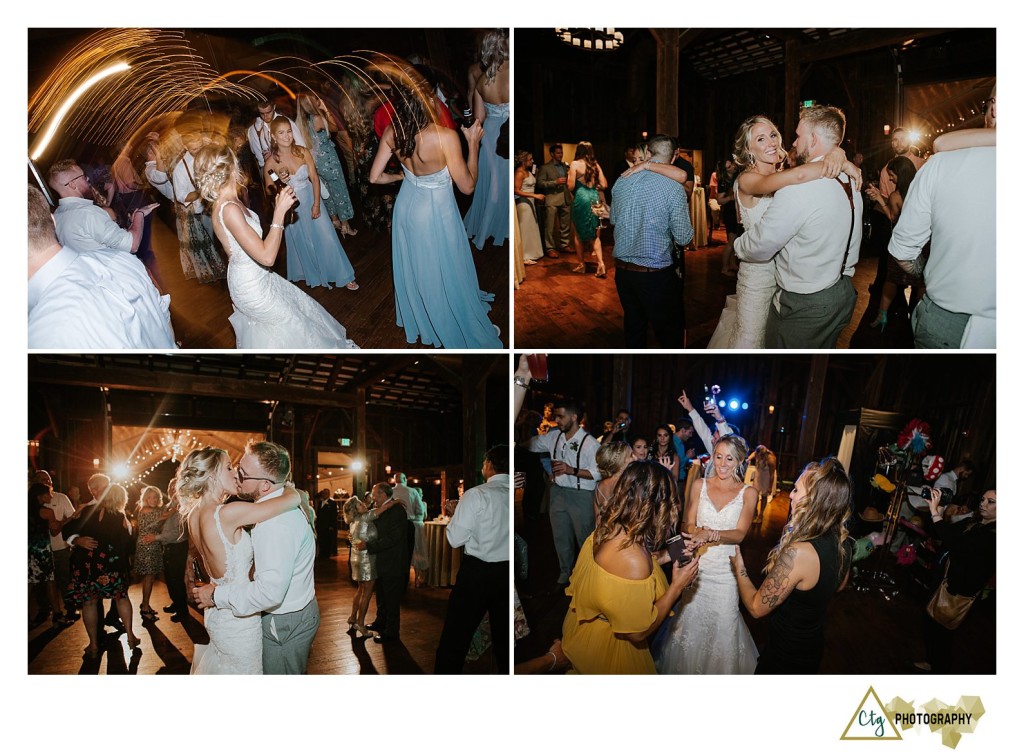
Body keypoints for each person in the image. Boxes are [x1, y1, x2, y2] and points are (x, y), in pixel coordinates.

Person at [370, 79, 502, 348]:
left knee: (420, 267)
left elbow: (374, 177)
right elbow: (467, 186)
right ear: (429, 102)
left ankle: (423, 318)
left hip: (406, 207)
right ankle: (448, 321)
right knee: (444, 266)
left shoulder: (392, 132)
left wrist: (401, 176)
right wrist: (473, 144)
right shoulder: (445, 136)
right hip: (436, 212)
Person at [708, 116, 858, 348]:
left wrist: (838, 154)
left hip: (784, 279)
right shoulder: (747, 179)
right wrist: (839, 160)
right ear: (749, 149)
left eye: (773, 135)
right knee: (751, 340)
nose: (770, 142)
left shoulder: (783, 171)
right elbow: (799, 176)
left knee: (773, 339)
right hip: (758, 275)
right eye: (760, 138)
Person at [194, 143, 359, 349]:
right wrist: (279, 212)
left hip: (260, 276)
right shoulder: (228, 209)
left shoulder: (229, 200)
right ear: (231, 168)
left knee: (299, 316)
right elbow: (267, 257)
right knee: (295, 325)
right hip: (252, 284)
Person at [561, 462, 702, 674]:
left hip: (585, 630)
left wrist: (673, 552)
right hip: (608, 651)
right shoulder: (633, 560)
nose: (676, 508)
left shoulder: (610, 528)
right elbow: (638, 632)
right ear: (656, 506)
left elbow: (628, 570)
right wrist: (677, 586)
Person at [192, 442, 319, 674]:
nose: (237, 476)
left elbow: (269, 593)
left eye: (242, 472)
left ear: (264, 485)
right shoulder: (245, 511)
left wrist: (217, 593)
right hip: (240, 616)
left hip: (278, 621)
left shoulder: (274, 524)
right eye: (234, 468)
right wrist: (293, 492)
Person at [888, 84, 996, 348]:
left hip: (950, 325)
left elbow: (903, 249)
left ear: (994, 107)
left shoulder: (940, 163)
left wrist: (929, 274)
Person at [732, 457, 854, 674]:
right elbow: (840, 585)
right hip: (811, 649)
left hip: (784, 656)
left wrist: (739, 568)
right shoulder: (843, 543)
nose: (790, 495)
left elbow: (756, 607)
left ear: (814, 500)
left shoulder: (800, 552)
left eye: (796, 490)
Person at [656, 435, 758, 674]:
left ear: (740, 461)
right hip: (697, 567)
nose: (722, 464)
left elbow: (740, 533)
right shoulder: (699, 485)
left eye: (729, 458)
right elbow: (687, 524)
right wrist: (697, 532)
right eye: (718, 456)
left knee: (723, 625)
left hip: (725, 573)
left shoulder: (748, 493)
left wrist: (710, 534)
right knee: (689, 625)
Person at [28, 185, 175, 349]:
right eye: (83, 176)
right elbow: (163, 316)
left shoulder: (42, 335)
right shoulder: (122, 260)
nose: (88, 179)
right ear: (53, 221)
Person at [607, 134, 693, 348]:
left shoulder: (622, 180)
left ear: (649, 154)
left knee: (634, 330)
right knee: (669, 335)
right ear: (673, 157)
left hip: (623, 274)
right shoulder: (673, 188)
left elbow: (614, 220)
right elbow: (684, 237)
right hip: (655, 274)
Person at [435, 445, 510, 673]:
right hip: (507, 572)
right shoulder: (513, 493)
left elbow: (455, 539)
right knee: (504, 635)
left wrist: (456, 515)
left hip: (478, 573)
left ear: (488, 465)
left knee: (456, 636)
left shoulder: (476, 494)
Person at [264, 116, 358, 290]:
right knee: (304, 241)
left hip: (311, 198)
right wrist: (281, 184)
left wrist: (316, 204)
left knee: (327, 237)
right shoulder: (271, 163)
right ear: (273, 137)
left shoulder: (302, 151)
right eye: (281, 133)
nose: (287, 136)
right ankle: (314, 272)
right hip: (291, 208)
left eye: (289, 131)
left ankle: (344, 276)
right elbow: (269, 191)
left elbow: (314, 178)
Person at [915, 488, 996, 673]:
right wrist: (939, 511)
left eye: (990, 502)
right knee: (930, 622)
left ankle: (940, 670)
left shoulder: (993, 536)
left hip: (960, 591)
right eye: (983, 499)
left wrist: (936, 513)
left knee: (943, 633)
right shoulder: (974, 522)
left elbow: (956, 544)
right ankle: (931, 661)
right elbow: (940, 534)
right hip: (945, 581)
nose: (983, 504)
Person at [526, 399, 601, 586]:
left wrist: (571, 470)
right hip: (558, 493)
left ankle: (589, 575)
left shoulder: (590, 444)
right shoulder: (554, 437)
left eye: (560, 416)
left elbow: (598, 473)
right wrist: (519, 428)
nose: (556, 420)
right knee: (560, 536)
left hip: (581, 495)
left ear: (574, 417)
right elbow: (530, 445)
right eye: (556, 416)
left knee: (584, 539)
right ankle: (565, 572)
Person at [61, 483, 141, 659]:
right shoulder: (119, 516)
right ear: (122, 499)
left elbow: (67, 530)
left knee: (88, 602)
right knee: (121, 598)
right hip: (110, 565)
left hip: (86, 565)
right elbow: (126, 545)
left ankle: (94, 644)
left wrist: (77, 540)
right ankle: (130, 636)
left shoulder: (87, 511)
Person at [463, 29, 510, 250]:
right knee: (501, 185)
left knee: (490, 183)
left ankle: (484, 228)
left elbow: (479, 118)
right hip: (506, 134)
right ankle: (501, 227)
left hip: (490, 135)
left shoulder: (482, 80)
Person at [47, 159, 155, 254]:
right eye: (83, 177)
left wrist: (131, 226)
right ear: (72, 184)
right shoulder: (89, 214)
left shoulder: (56, 217)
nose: (88, 179)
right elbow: (132, 245)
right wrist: (139, 215)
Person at [864, 156, 923, 331]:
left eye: (892, 175)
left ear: (901, 174)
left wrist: (881, 200)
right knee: (921, 283)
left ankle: (882, 316)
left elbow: (892, 217)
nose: (890, 178)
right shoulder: (921, 191)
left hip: (901, 245)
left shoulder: (896, 196)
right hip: (921, 244)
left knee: (891, 279)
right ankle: (918, 318)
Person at [295, 92, 357, 236]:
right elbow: (335, 128)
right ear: (312, 103)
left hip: (315, 163)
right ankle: (345, 225)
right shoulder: (317, 118)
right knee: (339, 190)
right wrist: (325, 109)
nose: (318, 100)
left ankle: (334, 220)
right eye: (316, 99)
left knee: (327, 192)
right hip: (329, 160)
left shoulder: (300, 123)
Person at [355, 483, 409, 643]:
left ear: (383, 495)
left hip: (393, 561)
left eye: (374, 494)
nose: (372, 497)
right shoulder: (384, 508)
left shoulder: (397, 511)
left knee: (391, 599)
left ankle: (392, 632)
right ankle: (380, 622)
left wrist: (369, 545)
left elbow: (393, 538)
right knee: (382, 596)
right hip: (382, 560)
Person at [568, 141, 608, 277]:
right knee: (595, 234)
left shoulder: (575, 164)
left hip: (582, 198)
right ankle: (601, 263)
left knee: (578, 234)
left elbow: (570, 186)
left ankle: (581, 265)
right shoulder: (595, 164)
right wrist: (593, 187)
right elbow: (604, 184)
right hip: (595, 198)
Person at [342, 497, 377, 637]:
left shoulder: (353, 521)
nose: (364, 504)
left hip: (356, 558)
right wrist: (396, 501)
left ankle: (352, 617)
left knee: (360, 589)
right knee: (367, 593)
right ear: (356, 509)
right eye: (360, 504)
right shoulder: (365, 518)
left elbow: (354, 539)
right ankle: (361, 624)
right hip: (366, 559)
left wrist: (366, 505)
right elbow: (382, 509)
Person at [28, 483, 61, 628]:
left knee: (28, 584)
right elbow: (54, 532)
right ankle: (58, 615)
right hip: (42, 551)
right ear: (40, 496)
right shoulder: (47, 512)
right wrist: (63, 523)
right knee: (50, 581)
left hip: (28, 551)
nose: (51, 496)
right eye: (48, 493)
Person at [132, 485, 165, 620]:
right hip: (148, 546)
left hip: (150, 545)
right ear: (145, 498)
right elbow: (166, 515)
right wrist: (177, 507)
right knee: (149, 578)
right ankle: (145, 608)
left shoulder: (147, 510)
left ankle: (145, 604)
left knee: (149, 578)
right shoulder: (147, 510)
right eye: (150, 497)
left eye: (155, 497)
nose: (153, 499)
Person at [247, 99, 306, 170]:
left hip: (292, 166)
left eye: (268, 112)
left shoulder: (286, 122)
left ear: (274, 107)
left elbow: (301, 146)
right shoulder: (254, 129)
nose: (265, 116)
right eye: (262, 113)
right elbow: (259, 157)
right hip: (270, 170)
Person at [537, 144, 571, 257]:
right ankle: (550, 248)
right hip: (552, 199)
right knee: (550, 226)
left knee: (565, 224)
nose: (560, 155)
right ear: (552, 154)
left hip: (565, 198)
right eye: (558, 153)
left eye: (561, 153)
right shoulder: (545, 167)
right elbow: (540, 183)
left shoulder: (565, 166)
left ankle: (564, 245)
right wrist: (554, 182)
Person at [514, 151, 545, 265]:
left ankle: (533, 253)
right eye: (530, 159)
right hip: (523, 203)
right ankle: (525, 255)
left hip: (530, 202)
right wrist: (535, 195)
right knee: (525, 228)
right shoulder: (519, 172)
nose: (532, 161)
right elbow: (516, 190)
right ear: (523, 160)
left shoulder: (528, 171)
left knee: (531, 228)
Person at [592, 442, 632, 524]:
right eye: (631, 455)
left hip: (604, 533)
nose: (635, 457)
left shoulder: (599, 486)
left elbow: (597, 520)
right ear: (622, 461)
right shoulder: (626, 485)